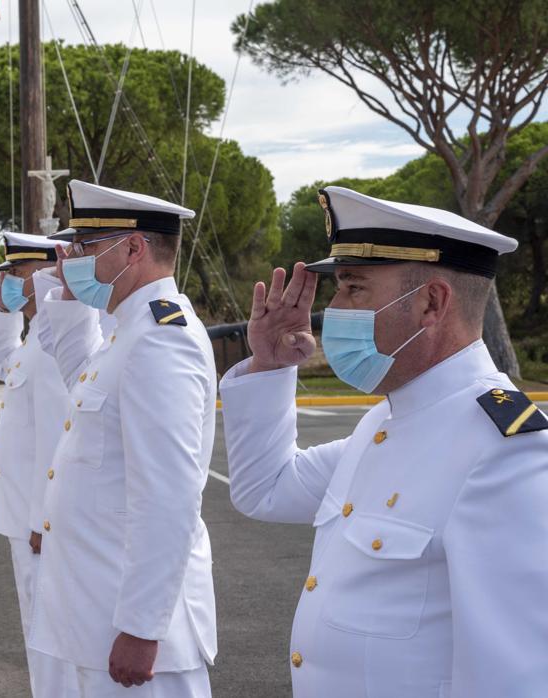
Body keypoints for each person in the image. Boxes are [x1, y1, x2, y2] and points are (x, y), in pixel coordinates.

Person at [220, 186, 548, 697]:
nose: (335, 309)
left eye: (354, 289)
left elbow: (514, 676)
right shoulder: (384, 423)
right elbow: (267, 488)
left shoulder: (505, 450)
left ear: (430, 304)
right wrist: (269, 366)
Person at [29, 180, 217, 697]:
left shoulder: (160, 340)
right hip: (96, 615)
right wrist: (70, 295)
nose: (72, 260)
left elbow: (168, 498)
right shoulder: (126, 331)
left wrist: (141, 626)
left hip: (132, 635)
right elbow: (79, 383)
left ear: (133, 248)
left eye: (86, 249)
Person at [0, 231, 75, 696]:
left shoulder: (57, 344)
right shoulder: (39, 338)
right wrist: (3, 313)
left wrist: (45, 519)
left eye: (15, 275)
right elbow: (6, 365)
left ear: (41, 275)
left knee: (51, 642)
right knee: (37, 635)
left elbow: (60, 439)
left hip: (41, 524)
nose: (6, 283)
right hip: (26, 518)